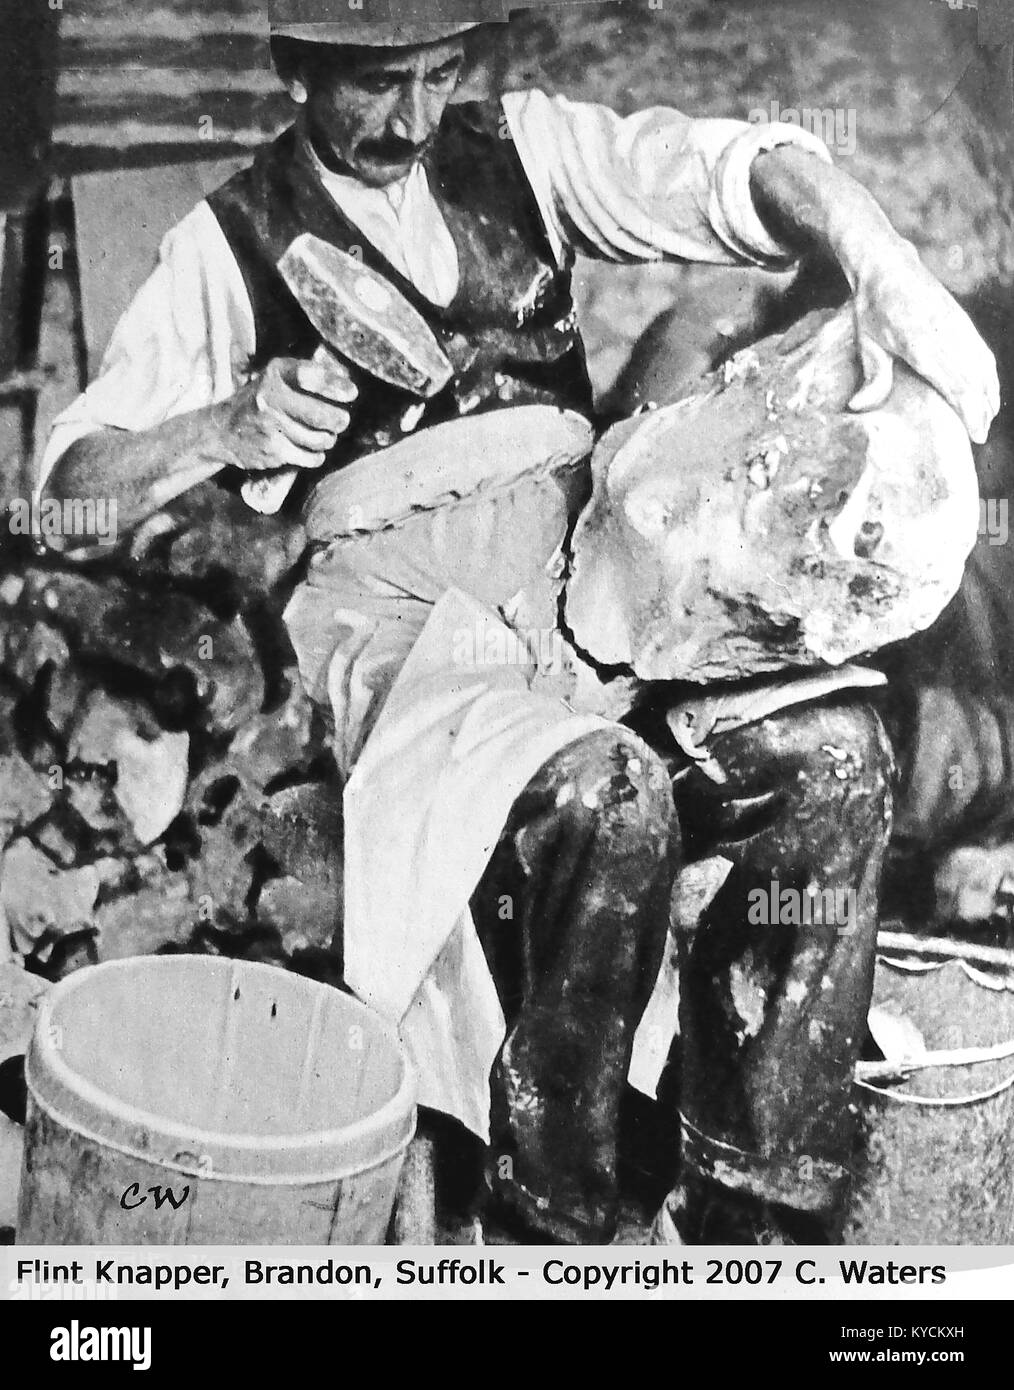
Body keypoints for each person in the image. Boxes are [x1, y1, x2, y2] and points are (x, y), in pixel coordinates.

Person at [38, 2, 999, 1244]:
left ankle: (757, 1207)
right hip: (403, 624)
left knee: (834, 756)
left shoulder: (526, 149)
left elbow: (730, 170)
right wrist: (219, 428)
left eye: (441, 75)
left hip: (596, 585)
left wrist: (877, 259)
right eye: (376, 85)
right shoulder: (224, 244)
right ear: (291, 67)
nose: (414, 119)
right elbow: (67, 490)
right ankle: (555, 1221)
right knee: (609, 794)